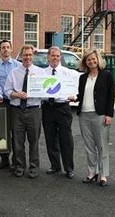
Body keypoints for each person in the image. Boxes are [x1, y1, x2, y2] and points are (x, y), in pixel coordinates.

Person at [76, 49, 115, 187]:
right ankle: (92, 172)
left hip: (100, 114)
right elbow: (81, 95)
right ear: (85, 62)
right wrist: (74, 97)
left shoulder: (107, 75)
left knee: (102, 145)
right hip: (84, 114)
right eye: (88, 60)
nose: (91, 62)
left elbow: (111, 96)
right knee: (89, 146)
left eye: (93, 59)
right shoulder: (82, 78)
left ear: (98, 60)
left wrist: (109, 114)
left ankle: (103, 174)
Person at [4, 44, 43, 178]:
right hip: (17, 110)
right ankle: (19, 166)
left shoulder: (40, 73)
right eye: (25, 55)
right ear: (21, 56)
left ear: (33, 56)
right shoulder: (14, 72)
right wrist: (17, 94)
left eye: (30, 55)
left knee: (34, 141)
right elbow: (7, 90)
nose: (27, 57)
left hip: (34, 110)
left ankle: (34, 167)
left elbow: (46, 92)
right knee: (17, 140)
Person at [42, 46, 77, 179]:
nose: (55, 58)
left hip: (63, 108)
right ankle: (55, 165)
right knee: (50, 138)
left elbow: (75, 87)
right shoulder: (42, 73)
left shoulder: (68, 73)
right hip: (48, 107)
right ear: (48, 57)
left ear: (60, 57)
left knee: (66, 139)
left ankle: (69, 168)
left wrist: (74, 95)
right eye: (53, 56)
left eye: (57, 56)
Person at [0, 39, 21, 169]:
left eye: (8, 47)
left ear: (11, 49)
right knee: (1, 132)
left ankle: (16, 160)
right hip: (1, 102)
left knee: (15, 131)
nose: (5, 49)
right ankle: (4, 159)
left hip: (15, 102)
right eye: (3, 47)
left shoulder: (17, 66)